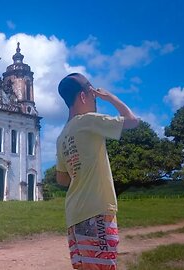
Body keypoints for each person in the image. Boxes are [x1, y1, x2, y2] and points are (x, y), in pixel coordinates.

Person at [56, 73, 139, 270]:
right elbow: (132, 121)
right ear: (83, 97)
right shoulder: (88, 121)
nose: (96, 100)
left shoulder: (62, 137)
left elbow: (61, 179)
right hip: (98, 212)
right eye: (93, 95)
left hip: (75, 215)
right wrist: (110, 97)